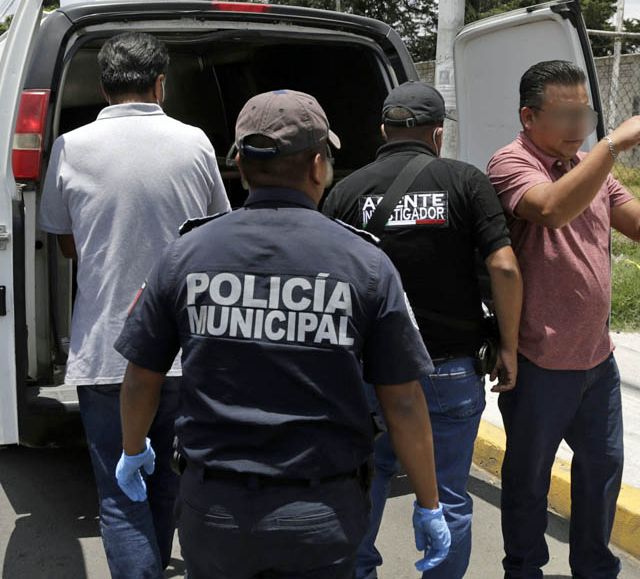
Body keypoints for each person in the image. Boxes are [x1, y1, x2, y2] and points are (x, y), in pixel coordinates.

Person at [114, 89, 452, 579]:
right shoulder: (365, 264)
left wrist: (131, 450)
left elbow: (141, 377)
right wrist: (428, 502)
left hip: (215, 513)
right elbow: (401, 401)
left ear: (241, 167)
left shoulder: (184, 256)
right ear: (318, 165)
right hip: (320, 517)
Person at [486, 60, 640, 579]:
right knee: (528, 479)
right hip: (539, 360)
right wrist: (612, 146)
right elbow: (548, 210)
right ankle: (524, 570)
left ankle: (594, 569)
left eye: (585, 114)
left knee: (603, 471)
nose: (580, 127)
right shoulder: (510, 163)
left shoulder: (589, 166)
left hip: (596, 361)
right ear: (528, 116)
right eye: (567, 115)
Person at [38, 32, 230, 578]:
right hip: (186, 351)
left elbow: (65, 239)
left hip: (107, 354)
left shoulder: (72, 147)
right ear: (160, 84)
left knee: (121, 495)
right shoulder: (194, 142)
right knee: (170, 480)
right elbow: (213, 232)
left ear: (103, 88)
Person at [322, 81, 523, 579]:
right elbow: (503, 267)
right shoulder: (465, 182)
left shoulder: (345, 191)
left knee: (363, 485)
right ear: (437, 135)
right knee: (448, 495)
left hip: (368, 373)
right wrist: (510, 347)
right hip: (449, 370)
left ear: (383, 130)